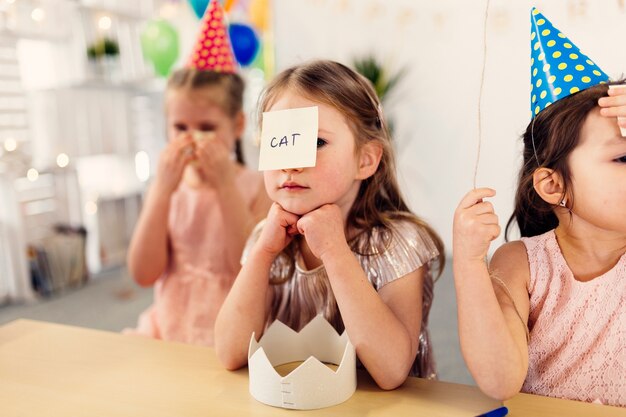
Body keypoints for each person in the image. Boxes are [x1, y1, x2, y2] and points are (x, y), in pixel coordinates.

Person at [214, 60, 444, 390]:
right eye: (279, 141)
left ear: (365, 160)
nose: (291, 163)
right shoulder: (264, 240)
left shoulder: (398, 243)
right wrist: (262, 253)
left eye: (316, 142)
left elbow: (392, 370)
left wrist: (335, 251)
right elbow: (228, 352)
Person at [452, 8, 625, 407]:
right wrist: (468, 264)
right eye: (623, 159)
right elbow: (499, 379)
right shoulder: (522, 264)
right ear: (553, 184)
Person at [124, 0, 271, 346]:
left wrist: (224, 185)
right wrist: (161, 192)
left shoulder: (257, 186)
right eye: (180, 126)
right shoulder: (166, 188)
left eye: (206, 126)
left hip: (232, 330)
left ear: (236, 125)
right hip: (172, 324)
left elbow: (247, 273)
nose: (191, 137)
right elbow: (144, 273)